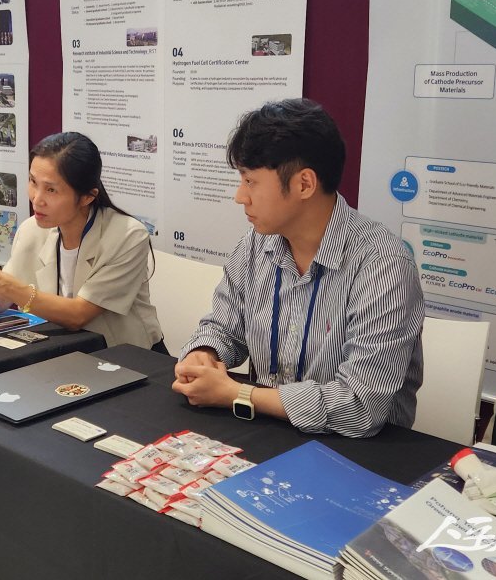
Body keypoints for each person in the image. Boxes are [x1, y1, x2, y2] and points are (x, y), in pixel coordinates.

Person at [172, 99, 423, 438]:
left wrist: (238, 394)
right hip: (268, 431)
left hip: (358, 451)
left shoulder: (383, 266)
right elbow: (223, 327)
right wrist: (204, 353)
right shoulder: (256, 245)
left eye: (250, 181)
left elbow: (360, 407)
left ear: (304, 184)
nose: (240, 196)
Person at [0, 132, 165, 351]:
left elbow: (77, 315)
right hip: (63, 352)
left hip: (123, 356)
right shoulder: (32, 230)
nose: (37, 198)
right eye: (32, 182)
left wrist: (2, 282)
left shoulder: (128, 235)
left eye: (51, 190)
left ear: (87, 197)